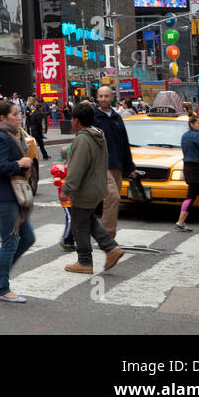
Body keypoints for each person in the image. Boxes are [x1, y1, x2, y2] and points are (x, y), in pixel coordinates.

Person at [60, 102, 124, 275]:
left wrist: (67, 189)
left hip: (85, 188)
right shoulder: (97, 136)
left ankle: (85, 261)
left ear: (77, 121)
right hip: (96, 186)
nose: (71, 122)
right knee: (89, 220)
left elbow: (77, 168)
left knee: (79, 225)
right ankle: (112, 249)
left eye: (72, 118)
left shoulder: (83, 138)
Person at [0, 99, 36, 302]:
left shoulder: (9, 135)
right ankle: (2, 288)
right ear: (3, 118)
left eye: (18, 113)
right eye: (15, 113)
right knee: (10, 242)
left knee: (28, 238)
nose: (19, 116)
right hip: (4, 196)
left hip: (13, 195)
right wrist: (19, 163)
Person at [93, 84, 138, 240]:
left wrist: (130, 166)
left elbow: (124, 142)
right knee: (113, 197)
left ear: (112, 98)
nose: (103, 99)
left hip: (117, 166)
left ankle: (75, 230)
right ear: (97, 98)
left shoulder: (117, 117)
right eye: (101, 96)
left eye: (106, 96)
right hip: (99, 166)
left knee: (102, 200)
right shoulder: (92, 117)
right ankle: (107, 237)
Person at [174, 112, 199, 231]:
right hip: (196, 168)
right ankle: (180, 222)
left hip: (188, 167)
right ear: (192, 124)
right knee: (192, 195)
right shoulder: (198, 136)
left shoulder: (184, 136)